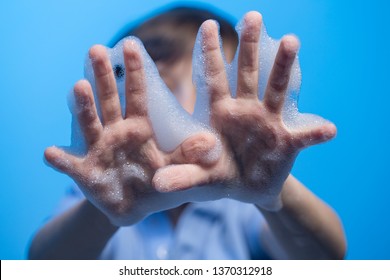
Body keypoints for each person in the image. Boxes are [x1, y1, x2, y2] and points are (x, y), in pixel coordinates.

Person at [28, 6, 346, 260]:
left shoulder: (243, 205)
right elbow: (45, 263)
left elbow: (325, 259)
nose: (183, 105)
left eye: (212, 87)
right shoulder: (102, 194)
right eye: (161, 87)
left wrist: (274, 195)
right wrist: (104, 214)